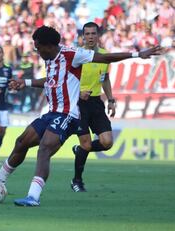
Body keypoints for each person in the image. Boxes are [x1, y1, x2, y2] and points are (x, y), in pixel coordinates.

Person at [0, 25, 161, 207]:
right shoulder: (49, 58)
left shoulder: (73, 55)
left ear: (49, 45)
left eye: (38, 47)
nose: (37, 51)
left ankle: (33, 197)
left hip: (68, 115)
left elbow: (105, 57)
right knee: (22, 141)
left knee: (44, 149)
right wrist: (25, 82)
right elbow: (50, 81)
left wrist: (138, 54)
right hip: (51, 113)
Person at [71, 22, 115, 192]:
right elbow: (68, 80)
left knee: (107, 142)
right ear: (83, 36)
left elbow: (104, 78)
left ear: (98, 35)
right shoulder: (76, 55)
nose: (90, 36)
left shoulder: (104, 55)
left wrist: (111, 99)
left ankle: (80, 150)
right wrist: (79, 93)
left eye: (93, 33)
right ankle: (77, 181)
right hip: (79, 103)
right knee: (87, 144)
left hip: (96, 103)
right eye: (87, 34)